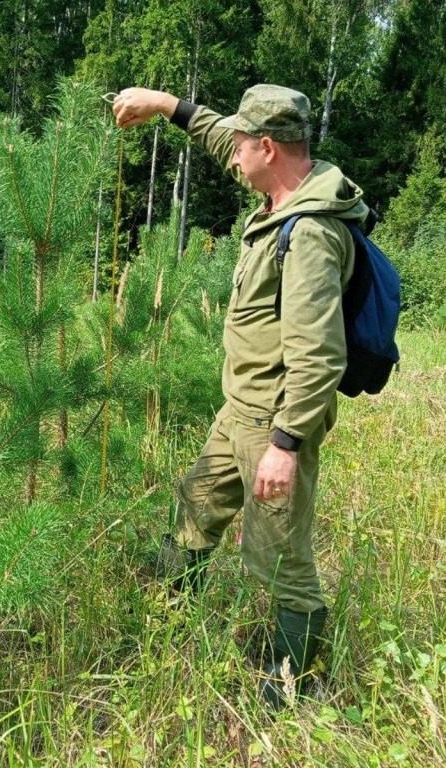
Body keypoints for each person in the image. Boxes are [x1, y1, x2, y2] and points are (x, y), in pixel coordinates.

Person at [112, 84, 370, 709]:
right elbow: (221, 134)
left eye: (242, 146)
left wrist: (286, 444)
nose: (231, 157)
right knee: (197, 502)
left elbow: (318, 355)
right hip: (238, 412)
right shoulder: (284, 189)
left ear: (268, 146)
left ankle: (291, 689)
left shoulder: (309, 232)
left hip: (272, 422)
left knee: (279, 557)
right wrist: (165, 105)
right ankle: (170, 619)